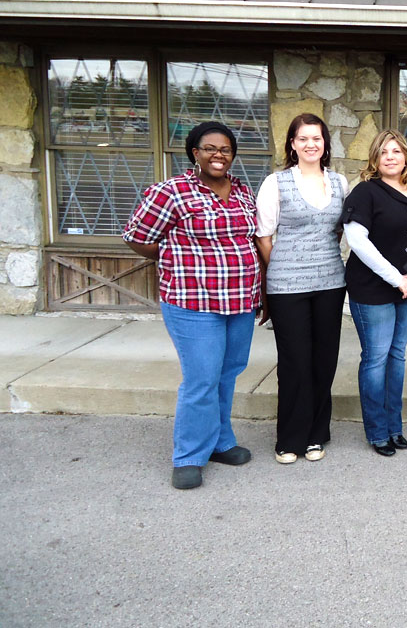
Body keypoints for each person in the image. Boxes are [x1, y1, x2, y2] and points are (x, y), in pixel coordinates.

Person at [123, 121, 260, 490]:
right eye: (210, 148)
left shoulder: (243, 192)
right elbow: (136, 236)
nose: (218, 155)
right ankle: (188, 456)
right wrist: (171, 256)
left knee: (227, 374)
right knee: (201, 379)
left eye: (225, 149)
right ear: (195, 152)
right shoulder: (171, 192)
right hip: (193, 302)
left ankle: (220, 442)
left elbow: (251, 240)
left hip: (241, 301)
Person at [256, 113, 348, 465]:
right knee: (295, 361)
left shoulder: (339, 182)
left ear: (325, 144)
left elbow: (338, 230)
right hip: (287, 286)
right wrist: (286, 265)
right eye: (303, 138)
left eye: (317, 138)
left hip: (330, 282)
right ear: (292, 144)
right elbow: (264, 236)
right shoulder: (276, 183)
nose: (311, 144)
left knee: (324, 359)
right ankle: (290, 438)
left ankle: (316, 434)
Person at [342, 130, 407, 457]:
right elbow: (358, 242)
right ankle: (377, 430)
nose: (391, 157)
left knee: (397, 356)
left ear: (406, 156)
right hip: (373, 288)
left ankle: (395, 426)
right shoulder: (365, 192)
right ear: (375, 159)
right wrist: (396, 278)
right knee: (376, 358)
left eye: (396, 151)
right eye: (384, 152)